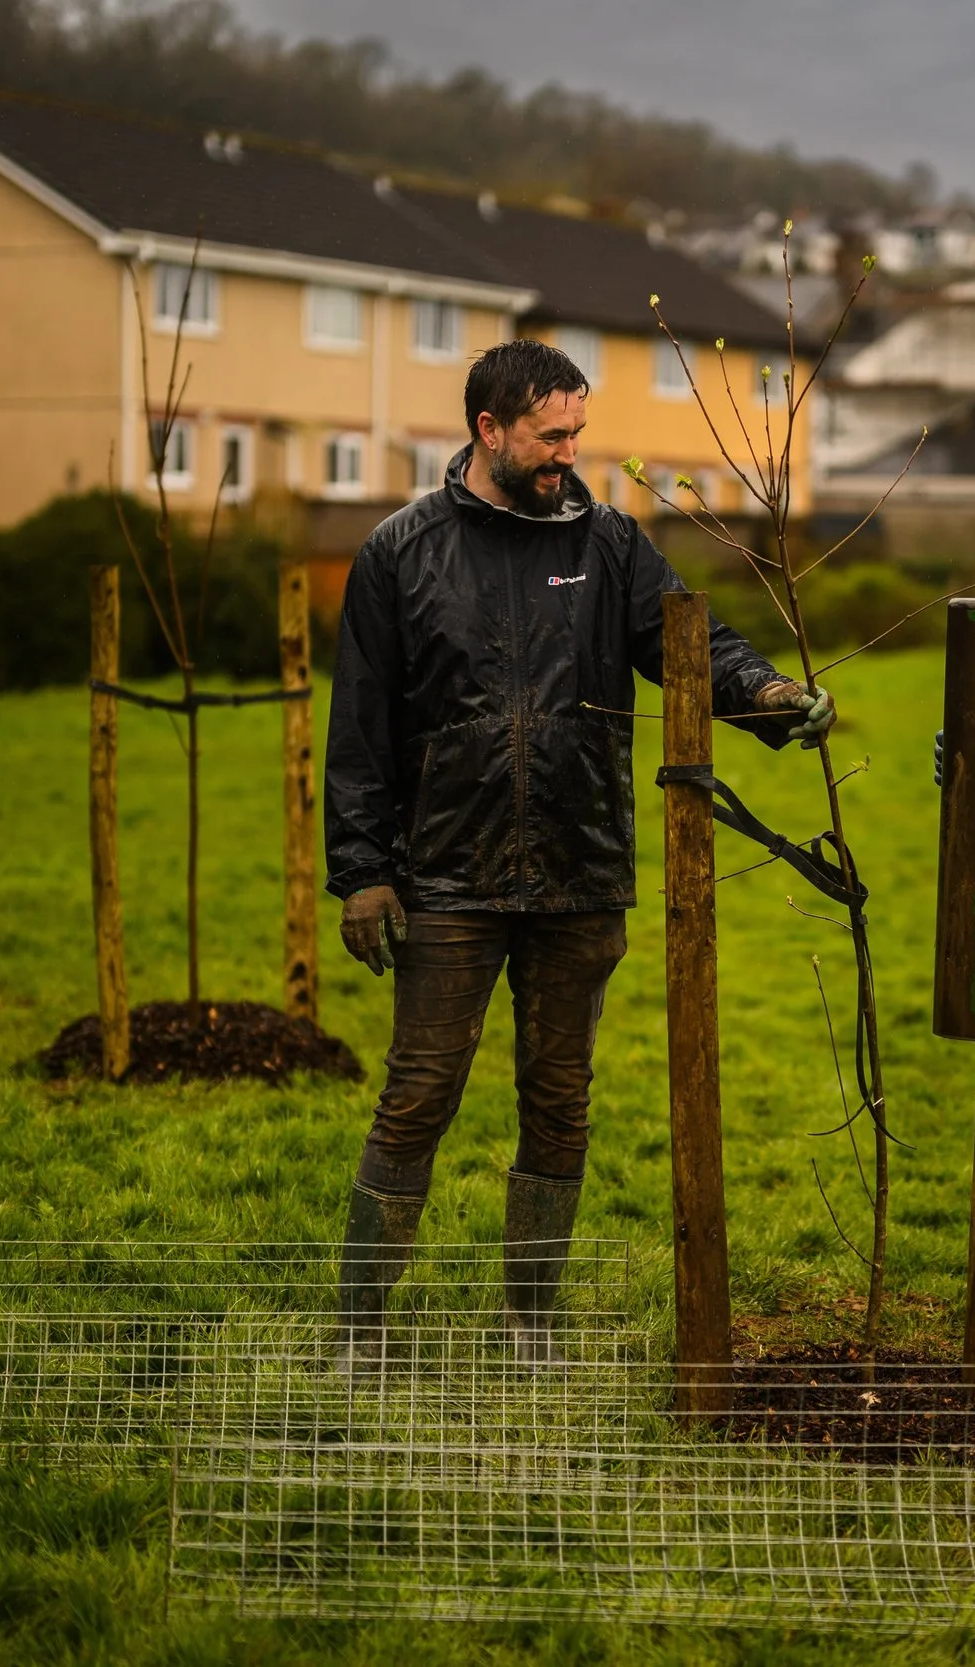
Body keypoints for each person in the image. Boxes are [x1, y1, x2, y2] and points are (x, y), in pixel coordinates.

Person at [323, 339, 833, 1368]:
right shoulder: (399, 552)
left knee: (559, 1101)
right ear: (489, 429)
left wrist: (769, 697)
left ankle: (531, 1321)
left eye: (576, 433)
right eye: (550, 435)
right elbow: (361, 725)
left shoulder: (609, 544)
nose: (569, 453)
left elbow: (696, 644)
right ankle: (358, 1327)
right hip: (445, 876)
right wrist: (362, 870)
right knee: (417, 1093)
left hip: (578, 868)